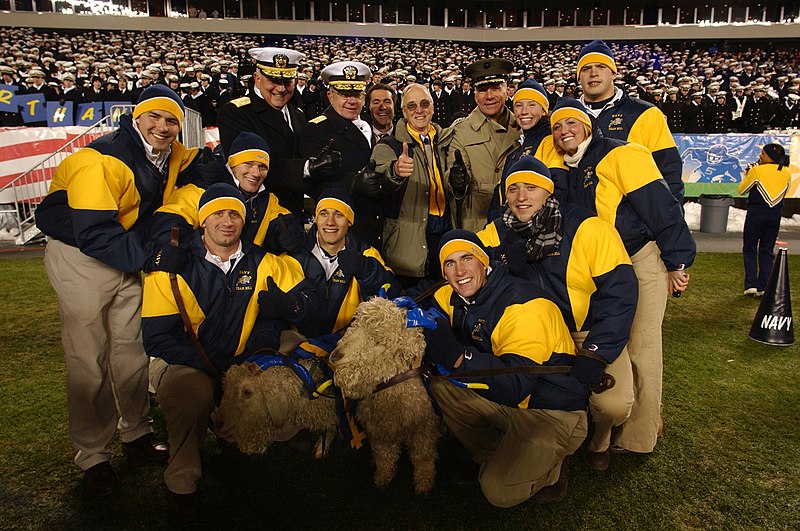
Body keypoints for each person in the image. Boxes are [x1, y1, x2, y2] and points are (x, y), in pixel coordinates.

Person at [35, 85, 200, 497]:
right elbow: (93, 231)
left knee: (131, 350)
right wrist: (152, 257)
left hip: (125, 254)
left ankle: (136, 431)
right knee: (87, 357)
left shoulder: (170, 154)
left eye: (171, 120)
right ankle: (92, 454)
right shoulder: (103, 157)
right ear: (136, 118)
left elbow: (200, 169)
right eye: (155, 118)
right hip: (83, 256)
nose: (163, 127)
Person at [143, 183, 315, 522]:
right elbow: (158, 339)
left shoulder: (264, 260)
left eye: (234, 213)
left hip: (243, 360)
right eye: (218, 213)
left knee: (287, 371)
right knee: (191, 393)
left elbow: (309, 300)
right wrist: (220, 368)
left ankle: (257, 431)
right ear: (203, 221)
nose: (227, 220)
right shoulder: (174, 264)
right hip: (186, 362)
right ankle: (182, 484)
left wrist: (292, 305)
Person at [549, 98, 696, 454]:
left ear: (587, 126)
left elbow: (661, 206)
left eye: (572, 123)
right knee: (615, 345)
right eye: (556, 126)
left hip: (639, 259)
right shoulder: (568, 168)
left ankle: (638, 438)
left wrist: (678, 261)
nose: (564, 131)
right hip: (602, 268)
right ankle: (607, 428)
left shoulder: (620, 152)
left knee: (642, 348)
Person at [476, 155, 637, 471]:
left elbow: (621, 293)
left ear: (549, 192)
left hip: (585, 332)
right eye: (513, 189)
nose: (521, 198)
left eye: (531, 188)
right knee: (522, 393)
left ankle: (599, 439)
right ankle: (547, 448)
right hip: (538, 335)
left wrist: (596, 351)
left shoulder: (588, 227)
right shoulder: (497, 232)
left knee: (612, 405)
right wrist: (497, 261)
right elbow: (463, 271)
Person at [422, 229, 588, 507]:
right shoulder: (459, 294)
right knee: (443, 387)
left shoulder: (522, 305)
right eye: (449, 263)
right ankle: (496, 455)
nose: (459, 270)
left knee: (498, 492)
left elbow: (515, 386)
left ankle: (553, 467)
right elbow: (424, 299)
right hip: (516, 403)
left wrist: (458, 356)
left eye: (467, 258)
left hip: (552, 410)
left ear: (484, 261)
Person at [150, 131, 306, 254]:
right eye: (248, 164)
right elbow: (168, 220)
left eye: (262, 167)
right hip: (202, 275)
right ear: (232, 164)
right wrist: (189, 253)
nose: (256, 173)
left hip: (243, 278)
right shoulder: (204, 189)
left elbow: (283, 222)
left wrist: (290, 234)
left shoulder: (266, 199)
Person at [576, 40, 685, 204]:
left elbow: (669, 171)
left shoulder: (646, 114)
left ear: (613, 73)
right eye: (586, 69)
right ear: (578, 77)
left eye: (601, 67)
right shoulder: (566, 118)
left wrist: (671, 223)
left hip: (633, 223)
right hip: (582, 222)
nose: (593, 73)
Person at [370, 83, 454, 288]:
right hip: (407, 243)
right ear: (404, 112)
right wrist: (395, 172)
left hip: (445, 232)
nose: (419, 110)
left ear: (433, 107)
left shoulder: (446, 140)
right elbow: (380, 179)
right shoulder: (390, 146)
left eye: (424, 104)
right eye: (412, 106)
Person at [290, 188, 399, 338]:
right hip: (299, 342)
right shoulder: (295, 255)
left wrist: (366, 269)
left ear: (349, 221)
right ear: (316, 218)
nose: (330, 222)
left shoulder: (366, 254)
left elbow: (392, 296)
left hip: (348, 342)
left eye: (339, 214)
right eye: (324, 214)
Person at [216, 47, 308, 214]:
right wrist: (307, 168)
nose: (281, 89)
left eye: (287, 82)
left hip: (293, 212)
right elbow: (250, 167)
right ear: (257, 79)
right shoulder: (235, 113)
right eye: (274, 80)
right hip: (256, 214)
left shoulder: (298, 115)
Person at [304, 61, 383, 249]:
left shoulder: (369, 126)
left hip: (375, 224)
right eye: (345, 94)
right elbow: (315, 185)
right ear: (330, 96)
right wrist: (355, 183)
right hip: (341, 231)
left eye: (356, 94)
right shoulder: (316, 130)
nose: (352, 101)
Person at [443, 58, 521, 232]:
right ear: (474, 94)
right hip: (476, 224)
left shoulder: (523, 127)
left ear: (506, 91)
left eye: (495, 88)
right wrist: (455, 181)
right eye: (482, 90)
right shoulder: (460, 131)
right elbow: (450, 176)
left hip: (518, 223)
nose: (489, 96)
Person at [487, 78, 552, 221]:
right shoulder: (517, 148)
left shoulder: (550, 142)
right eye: (519, 105)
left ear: (543, 110)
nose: (524, 111)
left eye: (532, 105)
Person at [738, 143, 792, 296]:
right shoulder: (786, 172)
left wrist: (748, 175)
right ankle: (764, 286)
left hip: (756, 213)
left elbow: (742, 190)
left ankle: (751, 284)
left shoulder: (757, 170)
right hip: (775, 215)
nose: (760, 156)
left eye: (762, 153)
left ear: (770, 156)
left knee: (750, 248)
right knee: (767, 250)